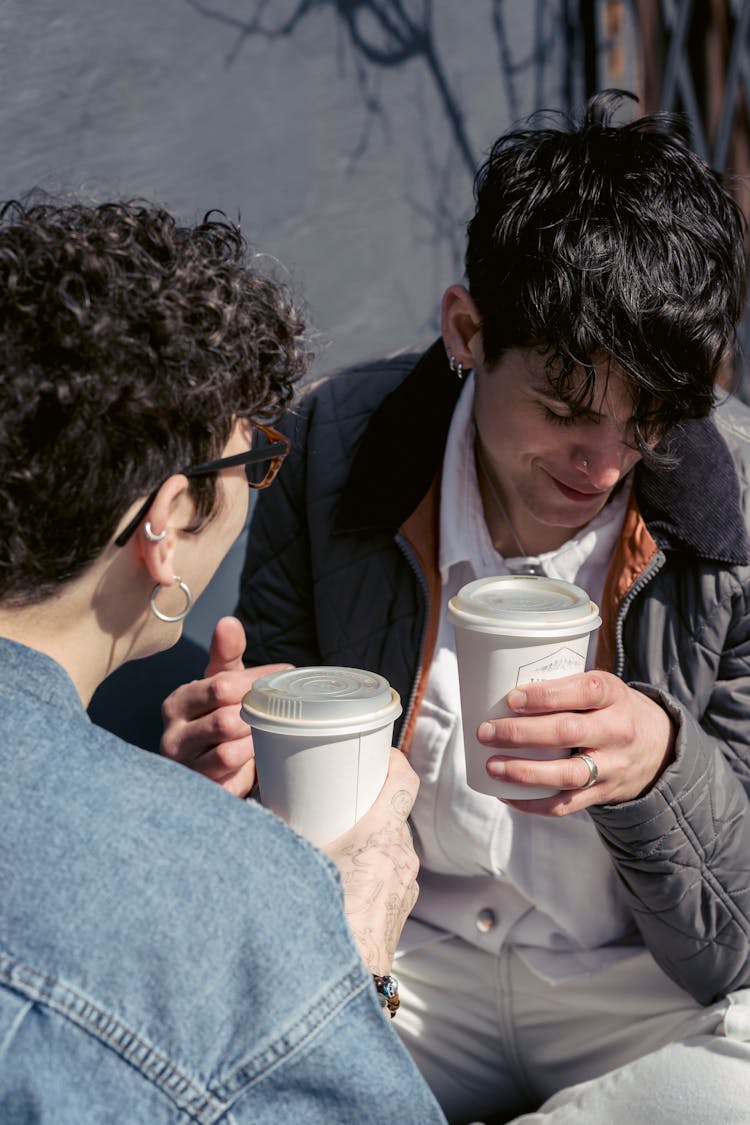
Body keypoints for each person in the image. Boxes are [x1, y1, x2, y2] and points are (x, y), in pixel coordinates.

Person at [161, 91, 750, 1123]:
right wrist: (243, 756)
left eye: (646, 420)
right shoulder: (338, 446)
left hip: (639, 983)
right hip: (410, 966)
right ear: (467, 329)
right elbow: (278, 841)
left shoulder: (735, 497)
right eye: (565, 410)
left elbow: (740, 929)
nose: (605, 465)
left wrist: (660, 760)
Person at [0, 196, 447, 1123]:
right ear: (165, 522)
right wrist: (347, 952)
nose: (257, 490)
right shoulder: (255, 909)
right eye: (252, 466)